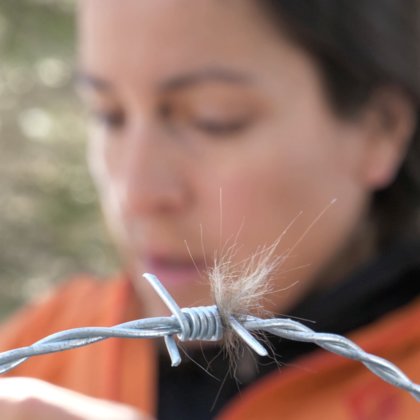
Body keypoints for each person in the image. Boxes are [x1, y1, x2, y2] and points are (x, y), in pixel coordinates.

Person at [0, 0, 419, 418]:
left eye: (212, 119)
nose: (136, 193)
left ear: (379, 128)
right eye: (109, 115)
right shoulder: (42, 354)